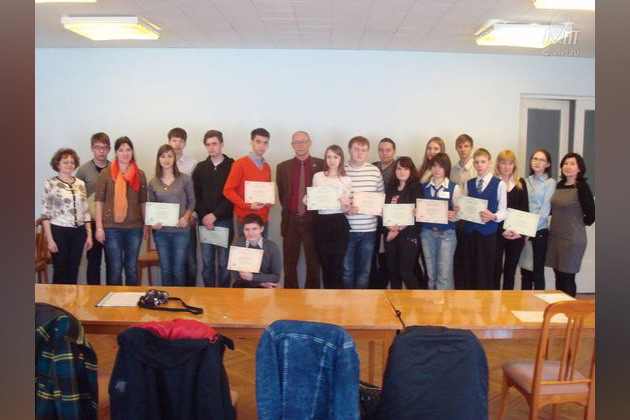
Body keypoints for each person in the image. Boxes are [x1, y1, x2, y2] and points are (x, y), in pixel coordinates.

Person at [94, 137, 148, 286]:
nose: (125, 153)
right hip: (111, 228)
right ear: (116, 152)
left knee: (131, 268)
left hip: (135, 228)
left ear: (132, 152)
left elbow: (143, 202)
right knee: (115, 269)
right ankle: (114, 300)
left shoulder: (140, 174)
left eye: (128, 150)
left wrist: (146, 225)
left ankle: (133, 299)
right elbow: (99, 201)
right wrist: (99, 228)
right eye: (121, 150)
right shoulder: (106, 173)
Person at [276, 131, 324, 289]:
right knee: (289, 264)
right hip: (291, 221)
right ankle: (291, 298)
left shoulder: (322, 164)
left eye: (303, 141)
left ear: (310, 142)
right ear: (292, 145)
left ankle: (312, 296)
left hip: (314, 221)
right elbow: (283, 195)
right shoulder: (282, 167)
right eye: (296, 142)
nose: (300, 145)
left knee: (314, 264)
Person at [545, 153, 595, 297]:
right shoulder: (559, 185)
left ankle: (569, 308)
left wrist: (575, 223)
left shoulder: (582, 187)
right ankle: (560, 307)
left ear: (579, 168)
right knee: (558, 274)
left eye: (573, 164)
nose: (568, 166)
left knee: (567, 277)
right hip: (555, 237)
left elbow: (591, 216)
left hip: (572, 239)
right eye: (565, 163)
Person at [40, 148, 92, 284]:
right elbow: (45, 214)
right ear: (57, 164)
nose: (69, 165)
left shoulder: (80, 184)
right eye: (65, 162)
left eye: (72, 162)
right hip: (59, 231)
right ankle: (57, 297)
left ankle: (71, 297)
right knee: (60, 269)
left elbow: (85, 210)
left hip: (78, 232)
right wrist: (50, 240)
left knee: (74, 269)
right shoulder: (50, 184)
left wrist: (89, 235)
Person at [147, 144, 196, 287]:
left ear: (174, 158)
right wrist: (153, 222)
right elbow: (152, 206)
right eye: (163, 156)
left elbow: (192, 202)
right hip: (161, 233)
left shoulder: (185, 179)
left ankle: (178, 298)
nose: (166, 159)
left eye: (170, 156)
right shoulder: (153, 182)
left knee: (178, 270)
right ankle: (167, 298)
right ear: (158, 159)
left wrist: (186, 217)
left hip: (181, 232)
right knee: (166, 269)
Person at [304, 145, 352, 289]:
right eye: (329, 157)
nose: (332, 160)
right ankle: (327, 298)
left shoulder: (346, 180)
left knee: (337, 265)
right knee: (325, 264)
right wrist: (307, 200)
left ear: (341, 159)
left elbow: (346, 209)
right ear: (325, 159)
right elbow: (314, 201)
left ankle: (337, 299)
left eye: (335, 157)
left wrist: (346, 204)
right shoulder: (318, 176)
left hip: (339, 223)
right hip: (322, 223)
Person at [192, 130, 235, 288]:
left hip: (224, 221)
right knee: (207, 262)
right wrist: (205, 216)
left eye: (214, 144)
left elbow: (233, 195)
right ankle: (209, 295)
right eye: (208, 144)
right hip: (204, 222)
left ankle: (224, 295)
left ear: (221, 144)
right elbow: (195, 195)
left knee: (224, 263)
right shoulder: (200, 167)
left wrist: (215, 215)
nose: (211, 147)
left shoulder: (232, 165)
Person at [461, 148, 507, 290]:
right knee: (469, 269)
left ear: (489, 163)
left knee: (485, 271)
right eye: (476, 162)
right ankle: (469, 300)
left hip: (487, 233)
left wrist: (493, 216)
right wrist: (460, 209)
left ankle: (484, 301)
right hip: (470, 232)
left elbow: (503, 211)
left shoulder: (499, 184)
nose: (479, 165)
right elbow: (465, 207)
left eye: (483, 162)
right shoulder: (468, 183)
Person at [343, 136, 385, 289]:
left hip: (369, 231)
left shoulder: (374, 171)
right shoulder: (341, 170)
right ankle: (347, 302)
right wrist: (345, 209)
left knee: (364, 272)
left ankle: (361, 303)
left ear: (367, 152)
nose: (360, 153)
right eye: (356, 149)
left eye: (363, 150)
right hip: (347, 230)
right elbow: (334, 200)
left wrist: (379, 209)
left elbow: (381, 197)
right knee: (347, 271)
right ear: (349, 150)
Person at [419, 153, 460, 290]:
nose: (436, 170)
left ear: (446, 168)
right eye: (434, 166)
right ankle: (432, 302)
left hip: (446, 235)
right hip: (427, 234)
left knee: (443, 276)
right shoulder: (424, 187)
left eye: (440, 166)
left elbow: (459, 214)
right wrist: (416, 211)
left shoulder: (454, 187)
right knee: (431, 274)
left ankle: (442, 304)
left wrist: (454, 215)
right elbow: (419, 209)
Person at [224, 128, 273, 237]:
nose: (262, 146)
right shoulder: (239, 164)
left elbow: (266, 192)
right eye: (258, 141)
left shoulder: (267, 167)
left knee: (263, 248)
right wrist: (248, 205)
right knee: (246, 249)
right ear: (251, 142)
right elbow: (228, 191)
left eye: (265, 142)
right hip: (246, 221)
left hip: (263, 220)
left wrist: (269, 201)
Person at [75, 132, 110, 285]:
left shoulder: (115, 168)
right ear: (92, 149)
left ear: (109, 149)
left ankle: (112, 294)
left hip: (110, 223)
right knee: (94, 262)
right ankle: (93, 295)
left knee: (112, 263)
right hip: (91, 224)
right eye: (97, 147)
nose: (101, 151)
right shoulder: (83, 170)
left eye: (104, 147)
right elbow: (78, 199)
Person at [383, 156, 422, 290]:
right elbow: (385, 210)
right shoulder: (391, 187)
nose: (402, 172)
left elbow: (415, 212)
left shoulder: (416, 187)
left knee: (406, 272)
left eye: (406, 169)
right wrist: (389, 227)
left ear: (411, 171)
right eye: (399, 168)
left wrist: (397, 230)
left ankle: (416, 301)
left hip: (408, 235)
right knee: (393, 273)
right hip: (390, 235)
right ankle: (396, 302)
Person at [520, 149, 556, 290]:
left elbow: (545, 211)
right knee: (525, 272)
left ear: (548, 164)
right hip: (524, 231)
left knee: (537, 272)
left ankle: (539, 303)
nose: (537, 162)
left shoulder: (550, 182)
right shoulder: (524, 181)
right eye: (535, 158)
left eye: (541, 160)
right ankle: (524, 302)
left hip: (539, 231)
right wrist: (523, 230)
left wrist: (529, 231)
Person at [492, 150, 529, 290]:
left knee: (510, 272)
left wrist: (521, 233)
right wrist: (502, 231)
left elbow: (525, 209)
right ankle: (493, 300)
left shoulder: (520, 183)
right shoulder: (493, 183)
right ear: (498, 164)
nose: (507, 167)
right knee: (495, 271)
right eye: (503, 163)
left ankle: (507, 301)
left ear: (514, 165)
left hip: (516, 234)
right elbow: (491, 211)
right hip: (497, 234)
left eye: (510, 163)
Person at [167, 127, 199, 286]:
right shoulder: (163, 163)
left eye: (181, 141)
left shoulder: (193, 164)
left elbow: (196, 193)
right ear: (169, 142)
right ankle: (174, 294)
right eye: (174, 140)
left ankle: (190, 294)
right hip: (168, 223)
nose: (177, 144)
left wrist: (192, 216)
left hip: (187, 219)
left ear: (185, 143)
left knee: (190, 262)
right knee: (172, 262)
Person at [369, 138, 396, 289]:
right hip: (372, 219)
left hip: (390, 220)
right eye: (381, 150)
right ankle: (372, 288)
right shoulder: (372, 167)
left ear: (394, 152)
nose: (384, 153)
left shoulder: (398, 168)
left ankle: (383, 288)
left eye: (388, 150)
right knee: (371, 255)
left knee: (386, 257)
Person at [230, 214, 282, 288]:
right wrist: (259, 283)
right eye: (247, 229)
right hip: (243, 284)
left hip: (266, 286)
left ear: (262, 229)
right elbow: (236, 276)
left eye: (254, 229)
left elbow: (276, 277)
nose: (250, 233)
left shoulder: (272, 247)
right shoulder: (237, 244)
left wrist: (253, 277)